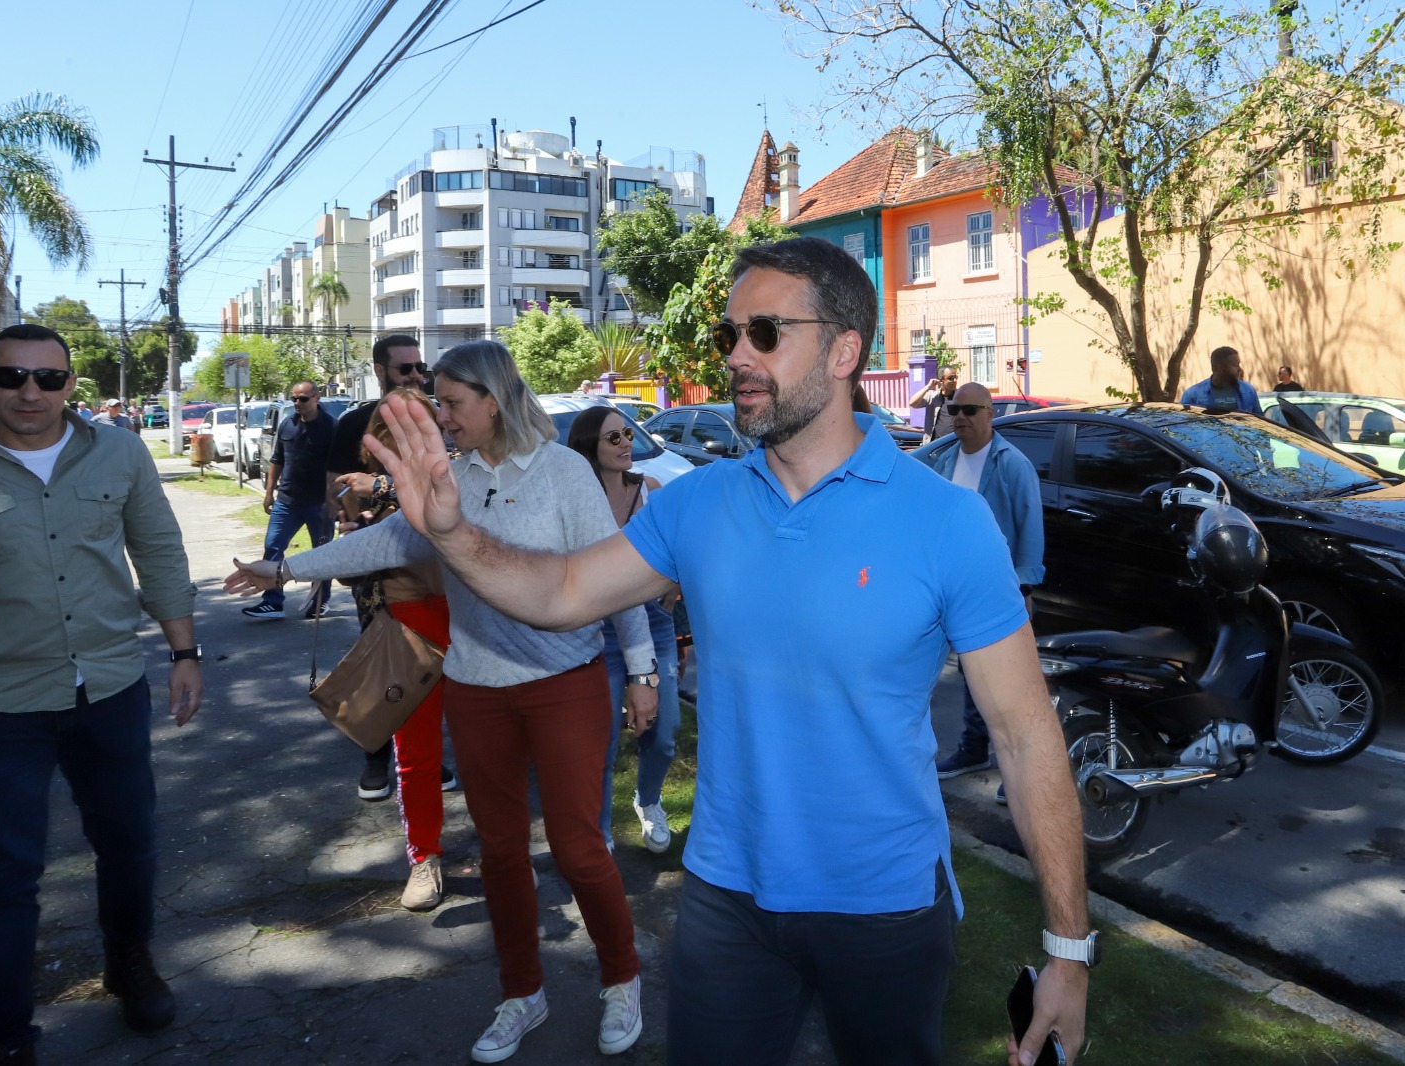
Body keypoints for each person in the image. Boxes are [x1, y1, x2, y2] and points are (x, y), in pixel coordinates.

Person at [360, 239, 1093, 1066]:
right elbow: (559, 592)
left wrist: (1069, 952)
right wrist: (453, 532)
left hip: (886, 907)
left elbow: (1029, 739)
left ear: (845, 350)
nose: (736, 356)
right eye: (729, 335)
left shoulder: (949, 523)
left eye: (766, 332)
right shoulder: (699, 505)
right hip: (725, 901)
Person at [229, 340, 656, 1063]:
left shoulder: (565, 474)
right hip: (477, 690)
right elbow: (385, 543)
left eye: (453, 403)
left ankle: (623, 978)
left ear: (494, 400)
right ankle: (522, 992)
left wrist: (642, 671)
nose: (443, 417)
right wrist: (283, 566)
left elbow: (615, 574)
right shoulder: (446, 480)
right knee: (499, 854)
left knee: (581, 851)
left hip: (566, 687)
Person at [0, 323, 204, 1065]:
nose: (31, 391)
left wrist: (185, 651)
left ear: (70, 384)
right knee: (4, 877)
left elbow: (157, 549)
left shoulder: (119, 451)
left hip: (109, 686)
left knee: (129, 843)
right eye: (13, 376)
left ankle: (129, 962)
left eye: (48, 378)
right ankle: (4, 1037)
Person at [331, 388, 459, 911]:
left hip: (469, 621)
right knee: (416, 755)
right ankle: (423, 858)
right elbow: (344, 572)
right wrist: (351, 535)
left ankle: (505, 849)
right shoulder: (359, 492)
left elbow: (438, 521)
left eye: (420, 422)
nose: (409, 435)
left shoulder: (454, 470)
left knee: (490, 745)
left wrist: (383, 488)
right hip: (406, 629)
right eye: (395, 427)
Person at [922, 383, 1045, 805]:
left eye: (970, 410)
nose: (960, 417)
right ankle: (973, 752)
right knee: (965, 678)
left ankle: (1020, 774)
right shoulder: (945, 461)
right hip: (948, 590)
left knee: (1003, 687)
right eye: (955, 409)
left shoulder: (1011, 464)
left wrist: (1024, 587)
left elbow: (1030, 528)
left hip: (996, 592)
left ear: (990, 413)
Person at [565, 405, 680, 855]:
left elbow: (681, 547)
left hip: (653, 624)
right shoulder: (575, 500)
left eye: (628, 434)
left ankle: (648, 802)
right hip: (597, 632)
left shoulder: (650, 491)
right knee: (603, 741)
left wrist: (676, 580)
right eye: (613, 438)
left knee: (664, 732)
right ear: (589, 446)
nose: (626, 444)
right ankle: (601, 830)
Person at [324, 336, 432, 800]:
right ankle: (376, 756)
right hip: (376, 566)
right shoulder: (353, 423)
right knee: (385, 659)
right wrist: (358, 518)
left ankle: (426, 754)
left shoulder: (433, 416)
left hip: (433, 564)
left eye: (418, 367)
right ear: (380, 369)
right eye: (404, 368)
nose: (414, 376)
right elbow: (336, 493)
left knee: (434, 660)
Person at [242, 381, 337, 621]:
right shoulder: (287, 424)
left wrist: (333, 499)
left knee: (323, 555)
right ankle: (273, 603)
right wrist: (269, 492)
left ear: (316, 398)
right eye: (294, 398)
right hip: (287, 502)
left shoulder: (331, 427)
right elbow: (277, 460)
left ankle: (319, 602)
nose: (297, 403)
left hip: (320, 503)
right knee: (273, 546)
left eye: (303, 399)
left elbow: (337, 467)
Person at [1180, 345, 1259, 412]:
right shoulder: (1192, 395)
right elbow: (1183, 426)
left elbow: (1260, 423)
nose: (1240, 369)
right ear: (1220, 367)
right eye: (1235, 365)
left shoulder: (1248, 390)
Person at [909, 364, 961, 441]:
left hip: (955, 443)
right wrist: (928, 386)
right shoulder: (933, 396)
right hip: (935, 445)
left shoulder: (961, 397)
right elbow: (912, 403)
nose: (955, 381)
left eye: (955, 377)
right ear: (941, 380)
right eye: (951, 378)